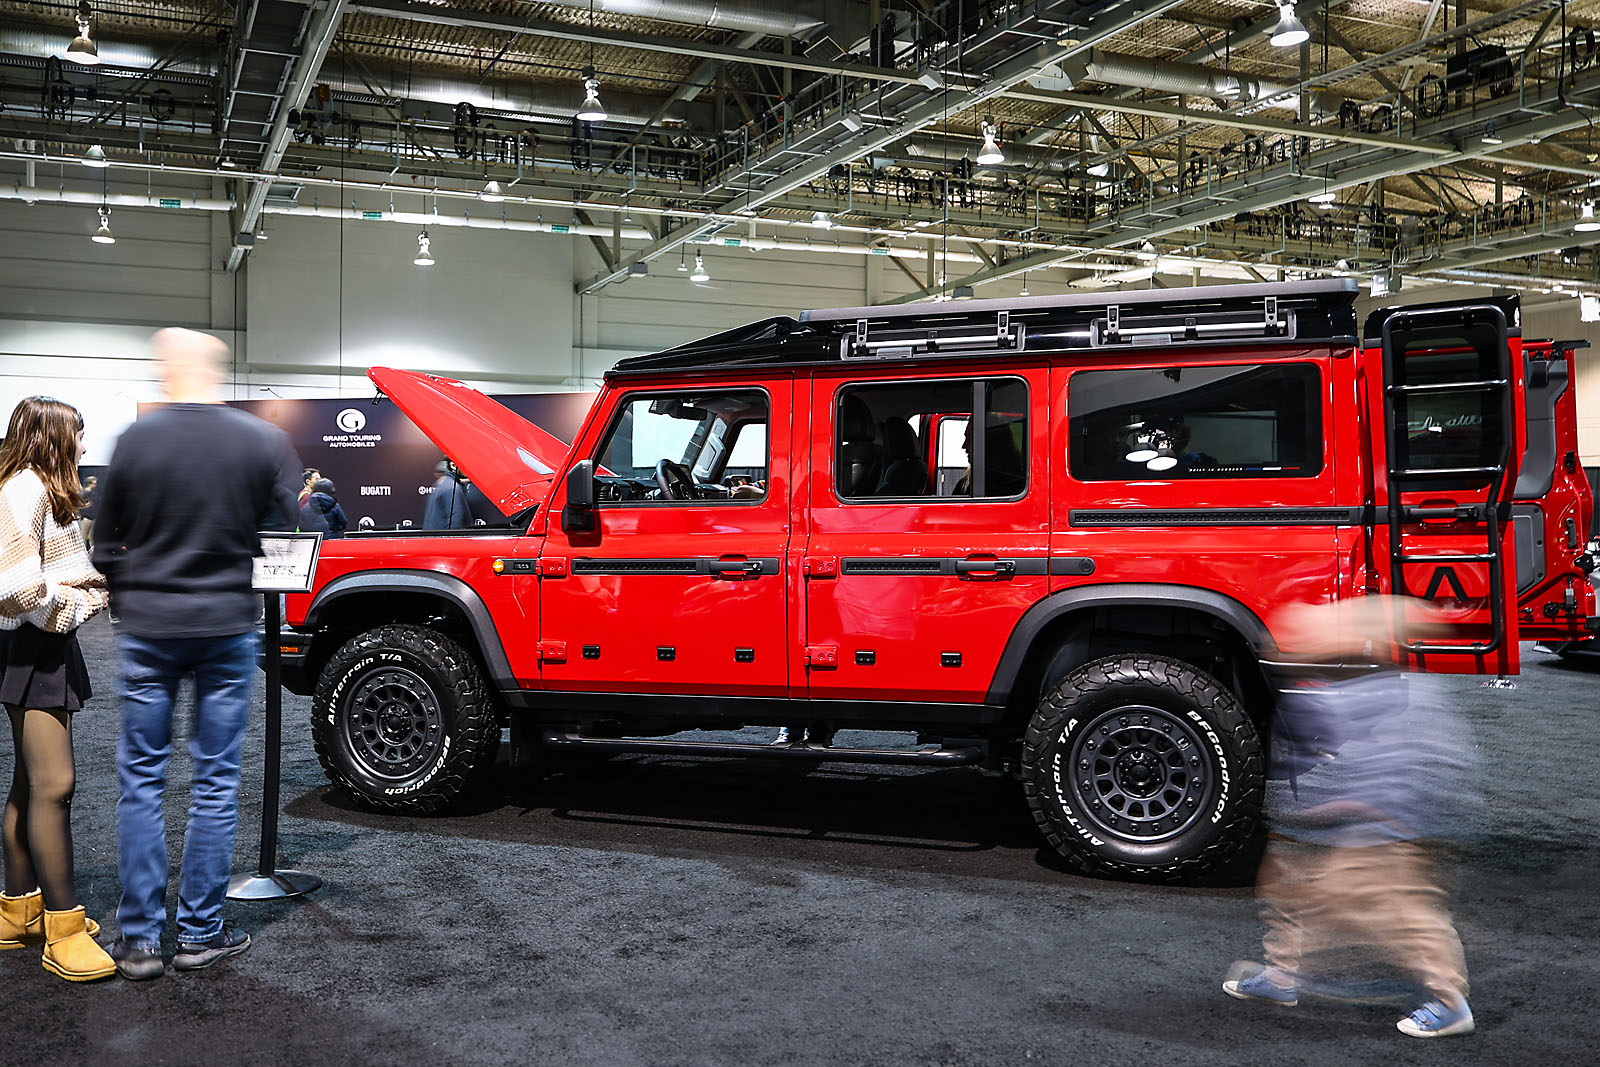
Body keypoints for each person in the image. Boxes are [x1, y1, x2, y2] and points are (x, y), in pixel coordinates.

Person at [92, 328, 301, 981]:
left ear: (168, 369)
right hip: (226, 624)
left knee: (141, 781)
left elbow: (103, 543)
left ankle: (140, 942)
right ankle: (200, 933)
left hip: (150, 627)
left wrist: (135, 586)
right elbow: (287, 527)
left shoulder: (135, 441)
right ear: (217, 368)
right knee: (215, 783)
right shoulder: (260, 439)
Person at [1222, 596, 1482, 1039]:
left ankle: (1449, 1002)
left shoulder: (1387, 692)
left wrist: (1370, 823)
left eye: (1301, 641)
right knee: (1285, 888)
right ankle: (1283, 977)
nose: (1287, 649)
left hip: (1388, 821)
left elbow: (1401, 770)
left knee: (1392, 907)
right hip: (1321, 818)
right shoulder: (1319, 686)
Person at [0, 396, 115, 982]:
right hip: (32, 642)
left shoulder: (40, 486)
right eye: (78, 432)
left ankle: (17, 911)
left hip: (39, 643)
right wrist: (78, 604)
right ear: (49, 435)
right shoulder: (26, 488)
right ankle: (61, 930)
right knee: (55, 784)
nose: (85, 443)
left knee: (29, 782)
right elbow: (17, 590)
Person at [423, 460, 473, 529]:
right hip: (443, 538)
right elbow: (456, 521)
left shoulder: (441, 486)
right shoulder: (452, 488)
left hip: (434, 537)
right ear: (453, 466)